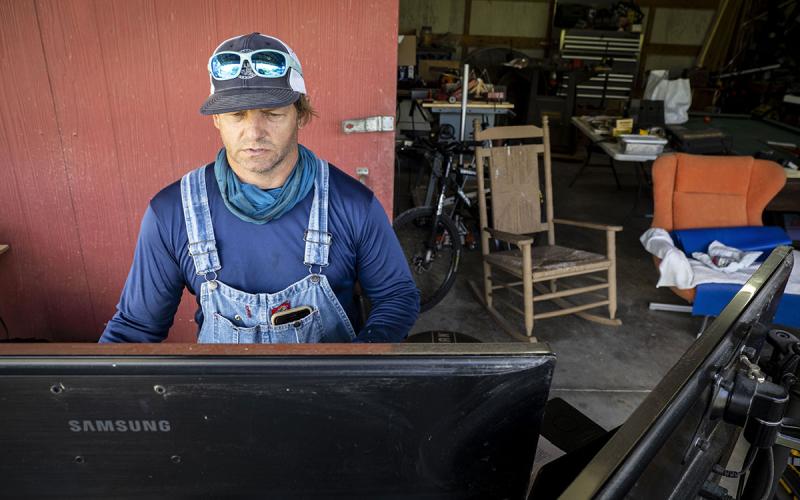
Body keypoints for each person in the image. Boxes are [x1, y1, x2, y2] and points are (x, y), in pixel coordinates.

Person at [100, 32, 419, 343]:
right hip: (225, 393)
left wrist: (358, 367)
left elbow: (396, 298)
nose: (254, 132)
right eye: (237, 115)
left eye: (272, 113)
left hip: (328, 394)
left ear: (301, 115)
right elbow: (135, 329)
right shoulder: (172, 214)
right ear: (217, 120)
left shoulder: (352, 204)